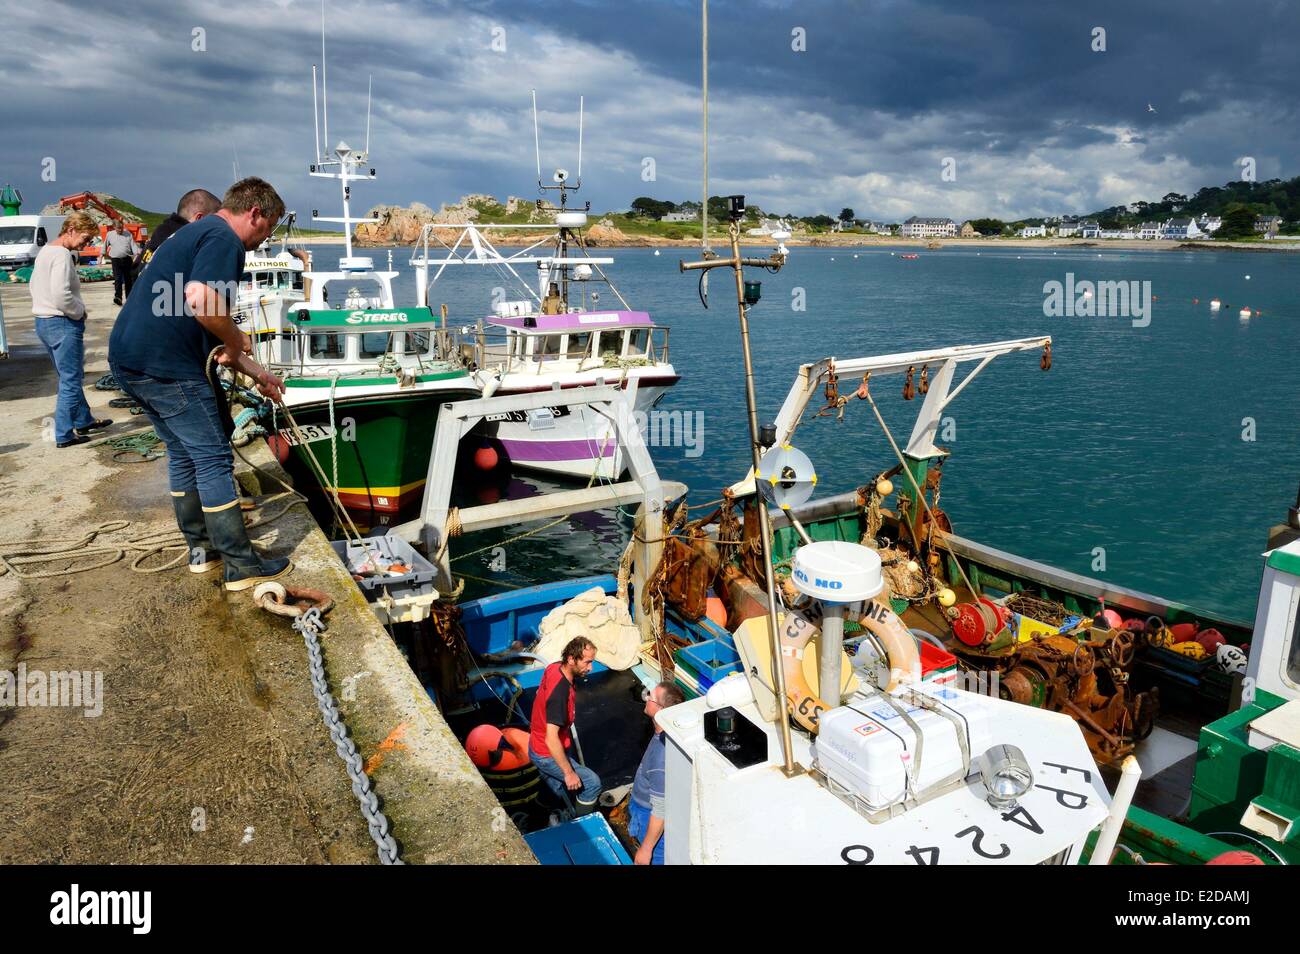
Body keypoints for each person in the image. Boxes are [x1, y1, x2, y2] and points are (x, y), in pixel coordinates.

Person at [108, 177, 290, 591]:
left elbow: (210, 330)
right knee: (211, 459)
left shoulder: (192, 232)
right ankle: (240, 565)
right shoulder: (223, 239)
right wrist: (233, 337)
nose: (264, 241)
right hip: (167, 368)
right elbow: (201, 300)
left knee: (183, 454)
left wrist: (260, 374)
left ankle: (201, 550)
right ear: (254, 213)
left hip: (129, 361)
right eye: (268, 229)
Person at [29, 211, 113, 448]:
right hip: (62, 322)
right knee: (71, 380)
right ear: (71, 229)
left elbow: (35, 285)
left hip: (43, 321)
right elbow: (61, 294)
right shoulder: (63, 255)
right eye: (85, 239)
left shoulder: (46, 251)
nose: (86, 244)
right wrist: (79, 312)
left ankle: (83, 419)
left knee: (68, 375)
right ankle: (64, 433)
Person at [528, 636, 602, 814]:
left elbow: (542, 692)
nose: (590, 668)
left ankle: (537, 815)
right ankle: (582, 826)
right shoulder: (560, 695)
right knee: (592, 783)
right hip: (546, 753)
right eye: (587, 662)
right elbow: (551, 738)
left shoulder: (554, 667)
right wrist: (569, 773)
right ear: (571, 659)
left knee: (553, 786)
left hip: (538, 744)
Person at [628, 680, 684, 865]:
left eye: (650, 697)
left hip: (648, 816)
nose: (646, 698)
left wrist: (646, 849)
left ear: (660, 710)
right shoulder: (665, 733)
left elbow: (660, 809)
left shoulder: (661, 755)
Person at [132, 188, 221, 283]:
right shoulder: (184, 243)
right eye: (214, 221)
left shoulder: (161, 234)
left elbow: (135, 271)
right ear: (199, 218)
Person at [104, 222, 139, 304]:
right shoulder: (110, 234)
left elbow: (133, 245)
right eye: (118, 228)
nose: (120, 230)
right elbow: (105, 245)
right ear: (114, 227)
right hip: (115, 260)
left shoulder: (128, 234)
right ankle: (118, 297)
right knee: (118, 279)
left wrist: (137, 253)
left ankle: (129, 298)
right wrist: (101, 255)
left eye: (121, 228)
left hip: (127, 259)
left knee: (128, 279)